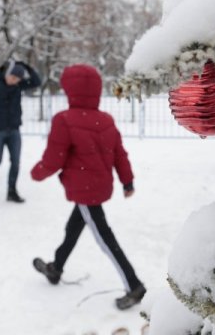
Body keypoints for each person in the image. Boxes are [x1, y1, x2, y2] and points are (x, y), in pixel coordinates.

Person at [30, 64, 146, 311]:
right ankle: (56, 268)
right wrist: (127, 181)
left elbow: (54, 159)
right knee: (72, 228)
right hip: (97, 186)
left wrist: (37, 173)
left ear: (69, 89)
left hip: (86, 190)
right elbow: (119, 154)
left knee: (105, 238)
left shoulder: (64, 120)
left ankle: (134, 285)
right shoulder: (105, 119)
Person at [0, 58, 41, 202]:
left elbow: (36, 82)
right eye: (13, 77)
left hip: (14, 129)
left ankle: (11, 191)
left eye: (18, 79)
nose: (15, 81)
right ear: (7, 73)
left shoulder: (17, 85)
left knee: (16, 161)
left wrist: (26, 66)